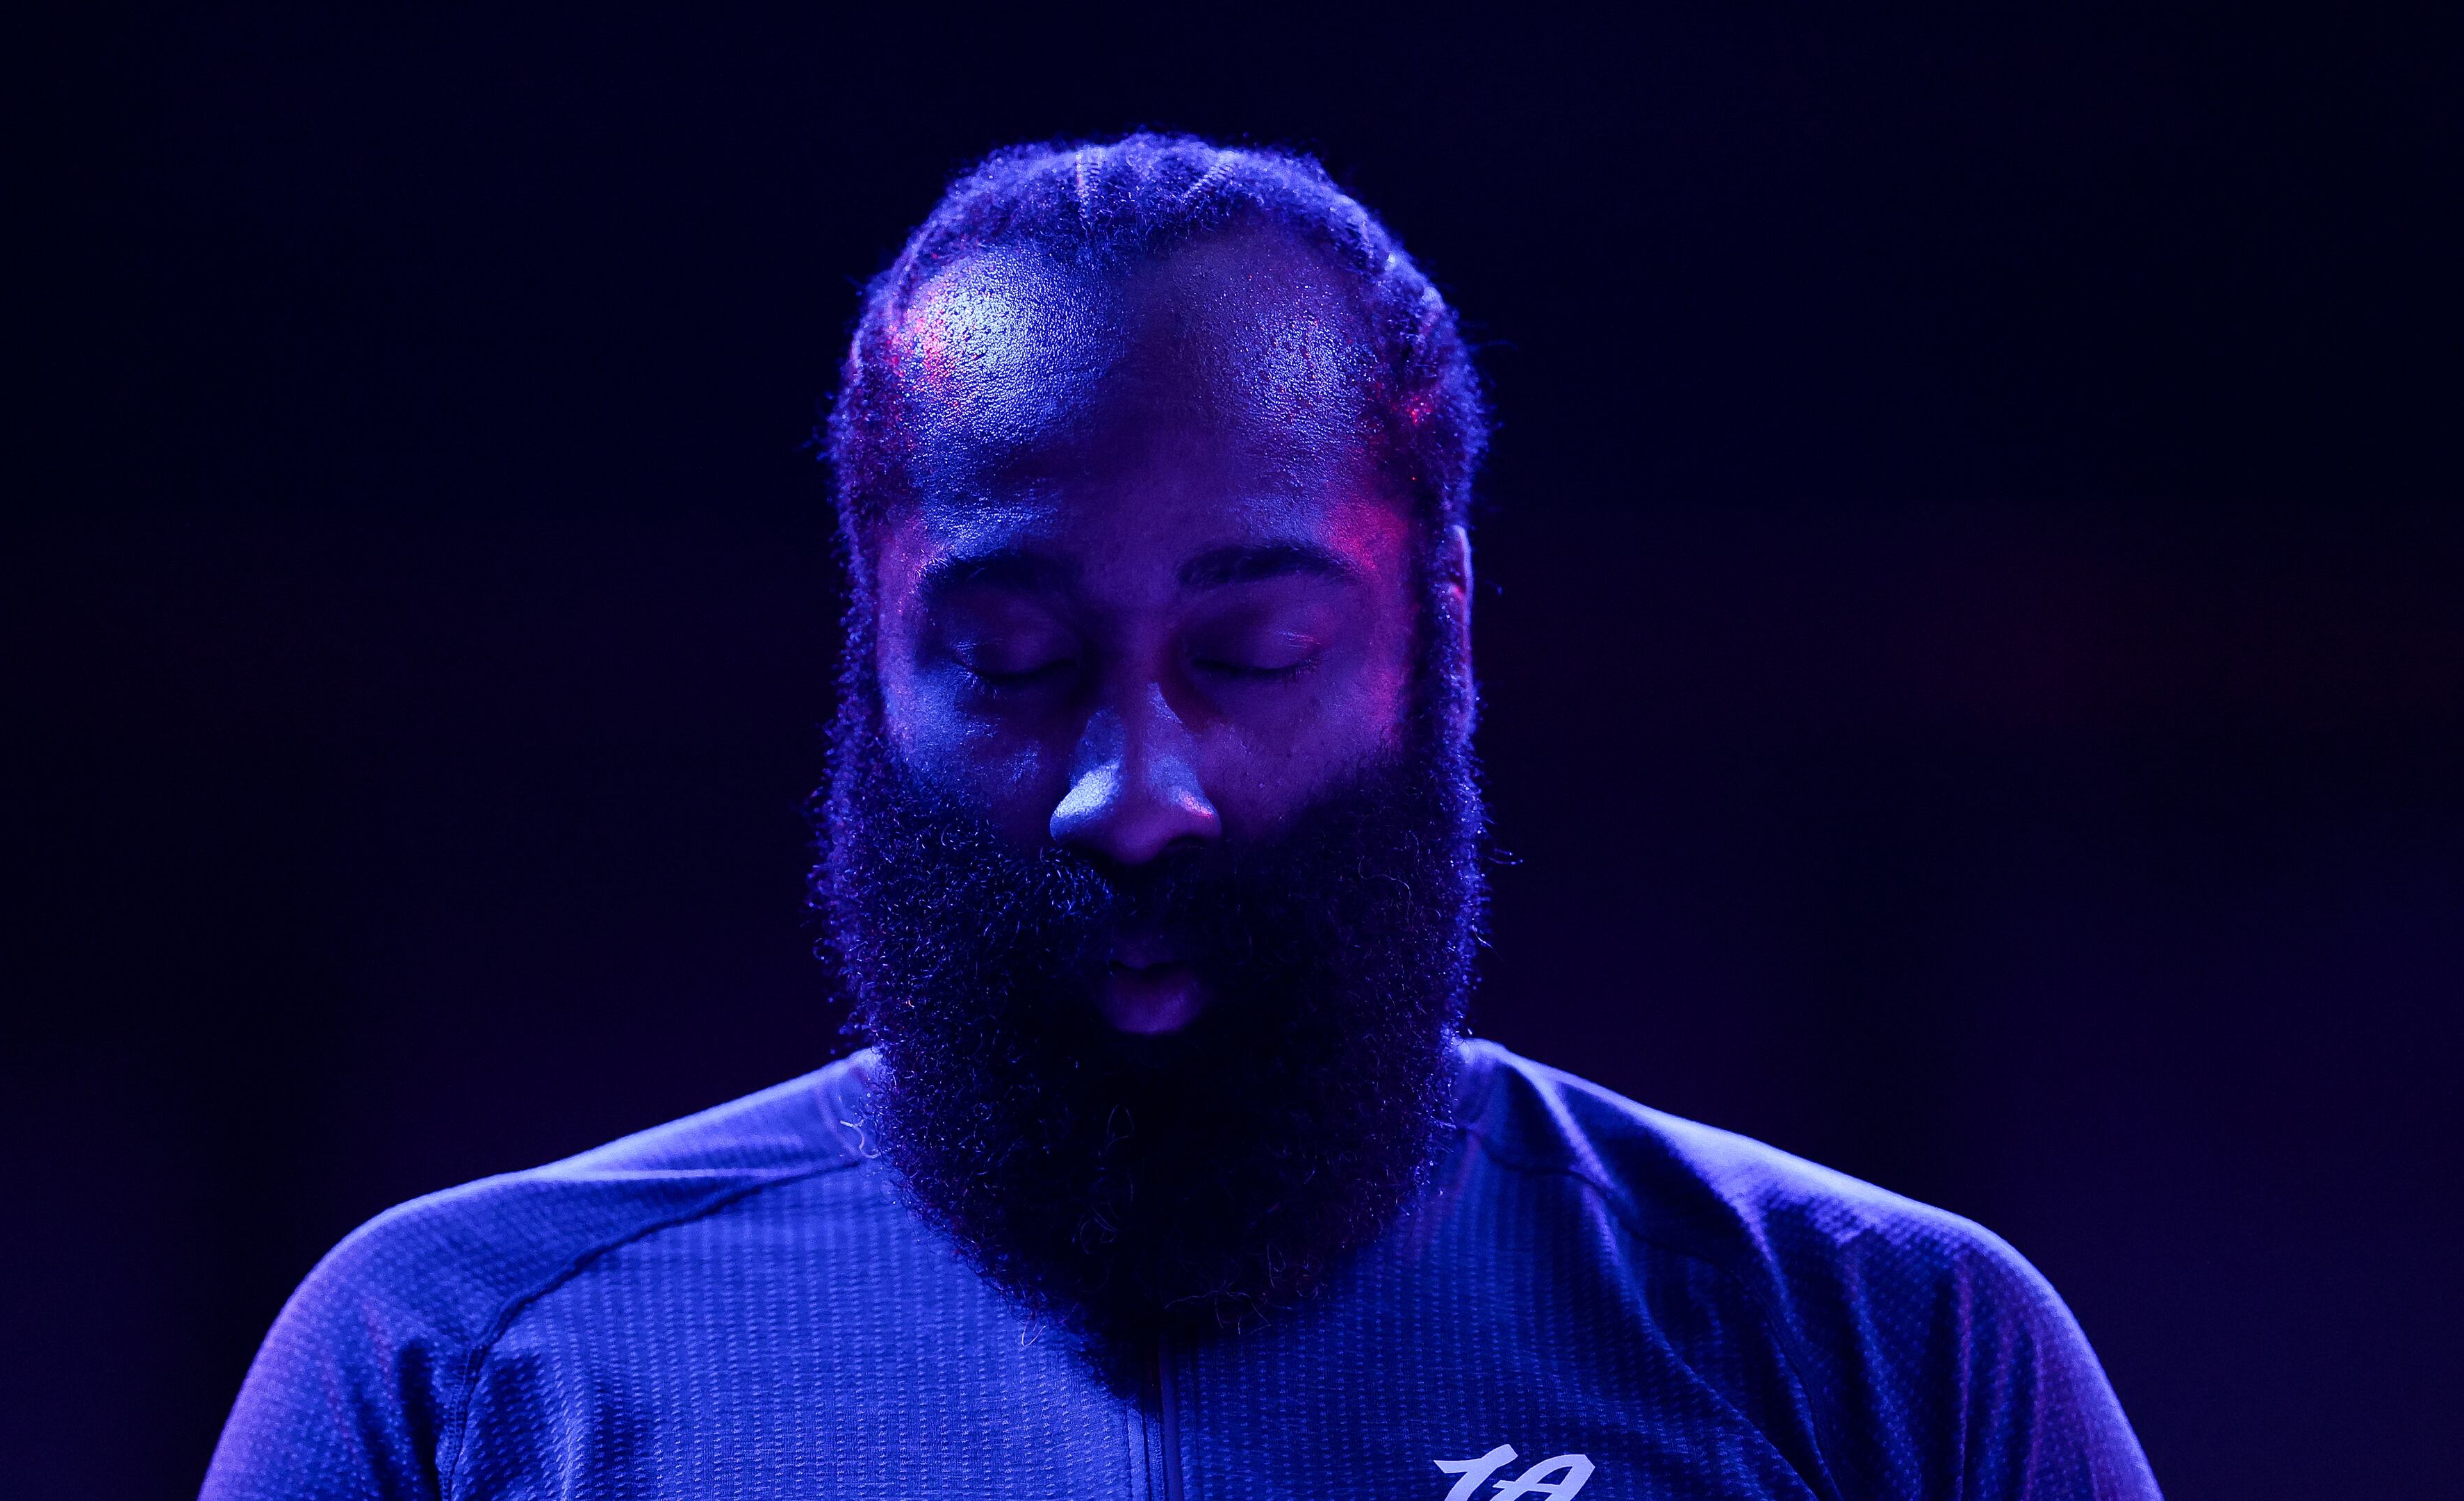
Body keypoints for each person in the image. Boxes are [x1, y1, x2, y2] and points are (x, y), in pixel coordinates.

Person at [201, 134, 2160, 1500]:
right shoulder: (457, 1374)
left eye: (1246, 654)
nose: (1137, 794)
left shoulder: (1887, 1356)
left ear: (1437, 631)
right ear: (873, 649)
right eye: (1018, 655)